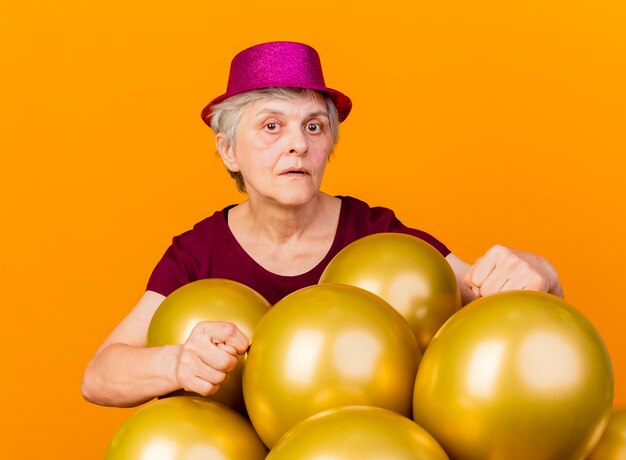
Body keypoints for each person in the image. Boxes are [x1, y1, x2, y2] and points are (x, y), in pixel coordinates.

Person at [81, 41, 563, 408]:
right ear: (228, 150)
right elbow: (98, 376)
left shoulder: (375, 233)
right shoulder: (197, 253)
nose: (297, 144)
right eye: (272, 126)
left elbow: (503, 306)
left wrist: (542, 273)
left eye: (314, 126)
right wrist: (176, 362)